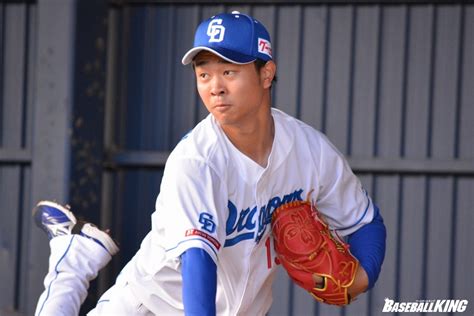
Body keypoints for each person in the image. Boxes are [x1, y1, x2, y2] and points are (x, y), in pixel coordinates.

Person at [34, 11, 386, 316]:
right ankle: (74, 259)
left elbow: (364, 221)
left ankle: (78, 251)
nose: (214, 86)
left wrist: (363, 277)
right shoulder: (196, 161)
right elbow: (198, 262)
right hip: (153, 306)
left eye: (229, 72)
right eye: (204, 74)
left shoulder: (310, 150)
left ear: (266, 74)